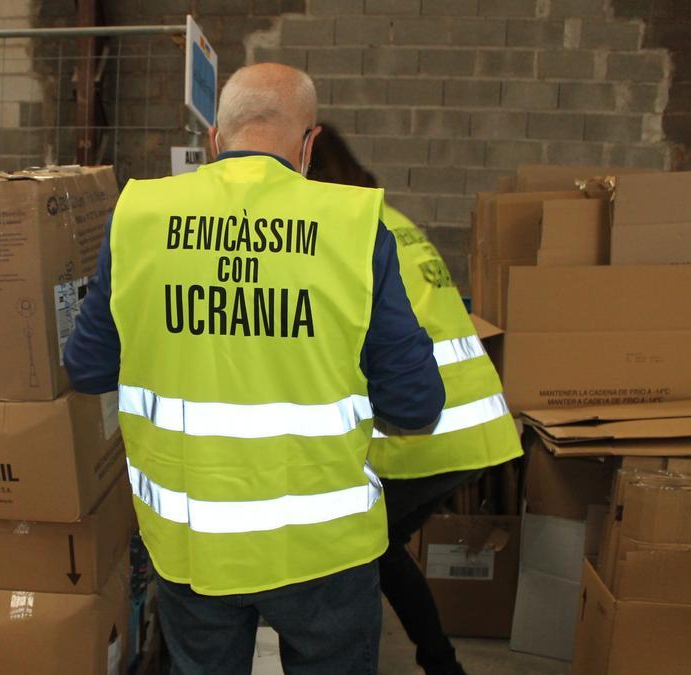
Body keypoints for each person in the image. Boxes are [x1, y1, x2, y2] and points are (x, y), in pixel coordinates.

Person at [63, 63, 445, 675]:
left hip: (193, 547)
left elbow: (86, 370)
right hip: (325, 551)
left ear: (216, 137)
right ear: (309, 144)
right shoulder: (352, 227)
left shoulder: (139, 215)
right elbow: (416, 406)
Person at [310, 124, 524, 675]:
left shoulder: (341, 233)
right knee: (382, 547)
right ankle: (438, 661)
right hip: (475, 424)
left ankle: (433, 662)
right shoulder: (392, 221)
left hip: (425, 433)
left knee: (359, 549)